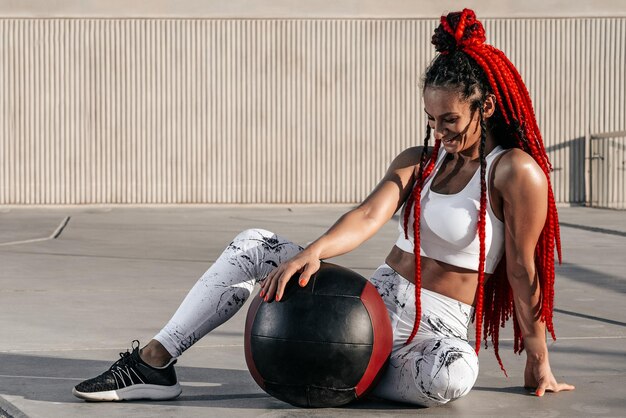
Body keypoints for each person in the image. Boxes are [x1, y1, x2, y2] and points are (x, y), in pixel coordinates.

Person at [73, 9, 575, 406]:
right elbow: (366, 216)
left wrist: (539, 359)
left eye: (450, 120)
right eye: (431, 118)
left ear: (485, 106)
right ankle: (153, 363)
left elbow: (524, 271)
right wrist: (308, 254)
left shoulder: (513, 171)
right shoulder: (420, 159)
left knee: (455, 376)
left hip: (438, 326)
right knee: (253, 246)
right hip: (368, 304)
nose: (439, 132)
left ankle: (335, 372)